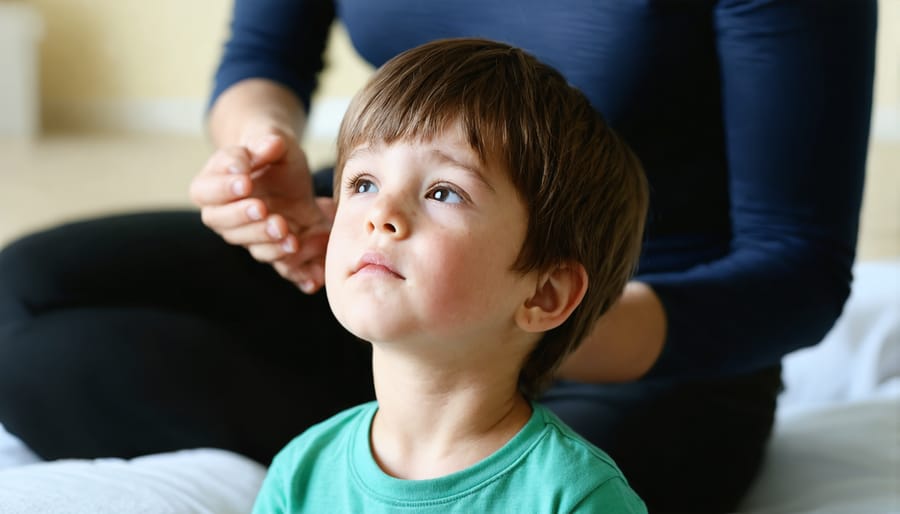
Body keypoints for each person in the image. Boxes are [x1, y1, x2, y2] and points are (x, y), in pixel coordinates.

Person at [0, 1, 877, 513]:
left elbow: (797, 267)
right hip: (423, 275)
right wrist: (260, 154)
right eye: (361, 184)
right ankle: (396, 426)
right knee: (29, 305)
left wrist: (507, 325)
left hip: (644, 332)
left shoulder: (576, 490)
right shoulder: (310, 452)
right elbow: (263, 57)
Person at [252, 37, 648, 513]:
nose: (381, 213)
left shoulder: (575, 497)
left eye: (443, 193)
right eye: (364, 183)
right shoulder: (301, 472)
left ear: (543, 294)